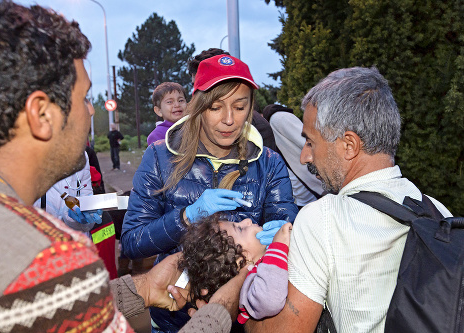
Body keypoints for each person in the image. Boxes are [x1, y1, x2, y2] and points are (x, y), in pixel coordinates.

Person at [0, 2, 243, 332]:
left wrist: (140, 287)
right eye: (84, 97)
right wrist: (225, 303)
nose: (92, 112)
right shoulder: (48, 261)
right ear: (41, 114)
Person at [245, 67, 453, 333]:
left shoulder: (323, 219)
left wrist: (239, 303)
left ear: (349, 145)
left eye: (310, 142)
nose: (304, 157)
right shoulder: (438, 212)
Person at [121, 54, 299, 332]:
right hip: (172, 317)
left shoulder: (269, 163)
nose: (229, 120)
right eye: (216, 107)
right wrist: (186, 218)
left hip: (243, 318)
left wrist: (284, 234)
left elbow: (286, 226)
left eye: (240, 107)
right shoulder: (159, 157)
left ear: (251, 107)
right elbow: (132, 241)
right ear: (198, 106)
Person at [179, 214, 292, 324]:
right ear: (241, 260)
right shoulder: (250, 287)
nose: (247, 221)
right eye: (240, 228)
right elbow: (270, 302)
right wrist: (278, 247)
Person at [188, 48, 278, 152]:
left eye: (239, 108)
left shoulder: (258, 129)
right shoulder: (181, 134)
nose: (229, 120)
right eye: (195, 86)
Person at [262, 104, 325, 208]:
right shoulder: (271, 125)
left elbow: (308, 142)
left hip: (311, 189)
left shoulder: (279, 119)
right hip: (298, 197)